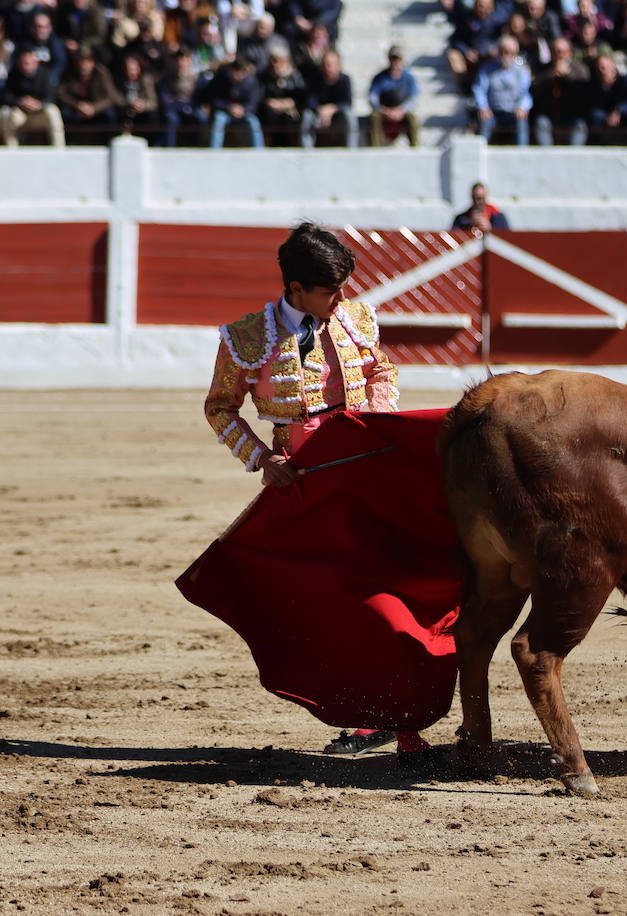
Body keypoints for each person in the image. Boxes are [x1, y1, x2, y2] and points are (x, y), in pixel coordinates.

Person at [202, 223, 431, 760]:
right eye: (330, 291)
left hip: (363, 467)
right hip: (301, 483)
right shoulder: (246, 337)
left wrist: (378, 419)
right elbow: (219, 409)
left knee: (384, 592)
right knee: (326, 605)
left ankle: (398, 721)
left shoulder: (354, 317)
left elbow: (381, 370)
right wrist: (261, 459)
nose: (342, 299)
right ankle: (366, 715)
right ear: (296, 288)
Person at [0, 46, 66, 146]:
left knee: (53, 111)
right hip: (20, 114)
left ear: (36, 63)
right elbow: (6, 97)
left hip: (39, 113)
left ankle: (59, 149)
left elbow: (51, 96)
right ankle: (12, 151)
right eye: (21, 62)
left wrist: (39, 104)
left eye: (27, 63)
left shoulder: (44, 74)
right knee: (6, 114)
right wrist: (20, 101)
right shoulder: (14, 74)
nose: (24, 66)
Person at [472, 35, 532, 145]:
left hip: (513, 113)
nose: (506, 55)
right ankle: (479, 152)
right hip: (493, 112)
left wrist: (523, 107)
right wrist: (483, 108)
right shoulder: (487, 69)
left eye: (510, 52)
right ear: (498, 51)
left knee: (522, 122)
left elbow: (526, 93)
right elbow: (479, 90)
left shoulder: (522, 71)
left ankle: (522, 154)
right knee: (485, 122)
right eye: (504, 51)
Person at [368, 44, 419, 146]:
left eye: (398, 59)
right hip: (384, 111)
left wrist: (401, 110)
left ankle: (415, 147)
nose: (395, 62)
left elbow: (413, 98)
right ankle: (375, 147)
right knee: (374, 118)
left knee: (412, 119)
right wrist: (384, 110)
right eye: (393, 59)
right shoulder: (379, 78)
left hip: (402, 111)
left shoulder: (408, 78)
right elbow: (373, 97)